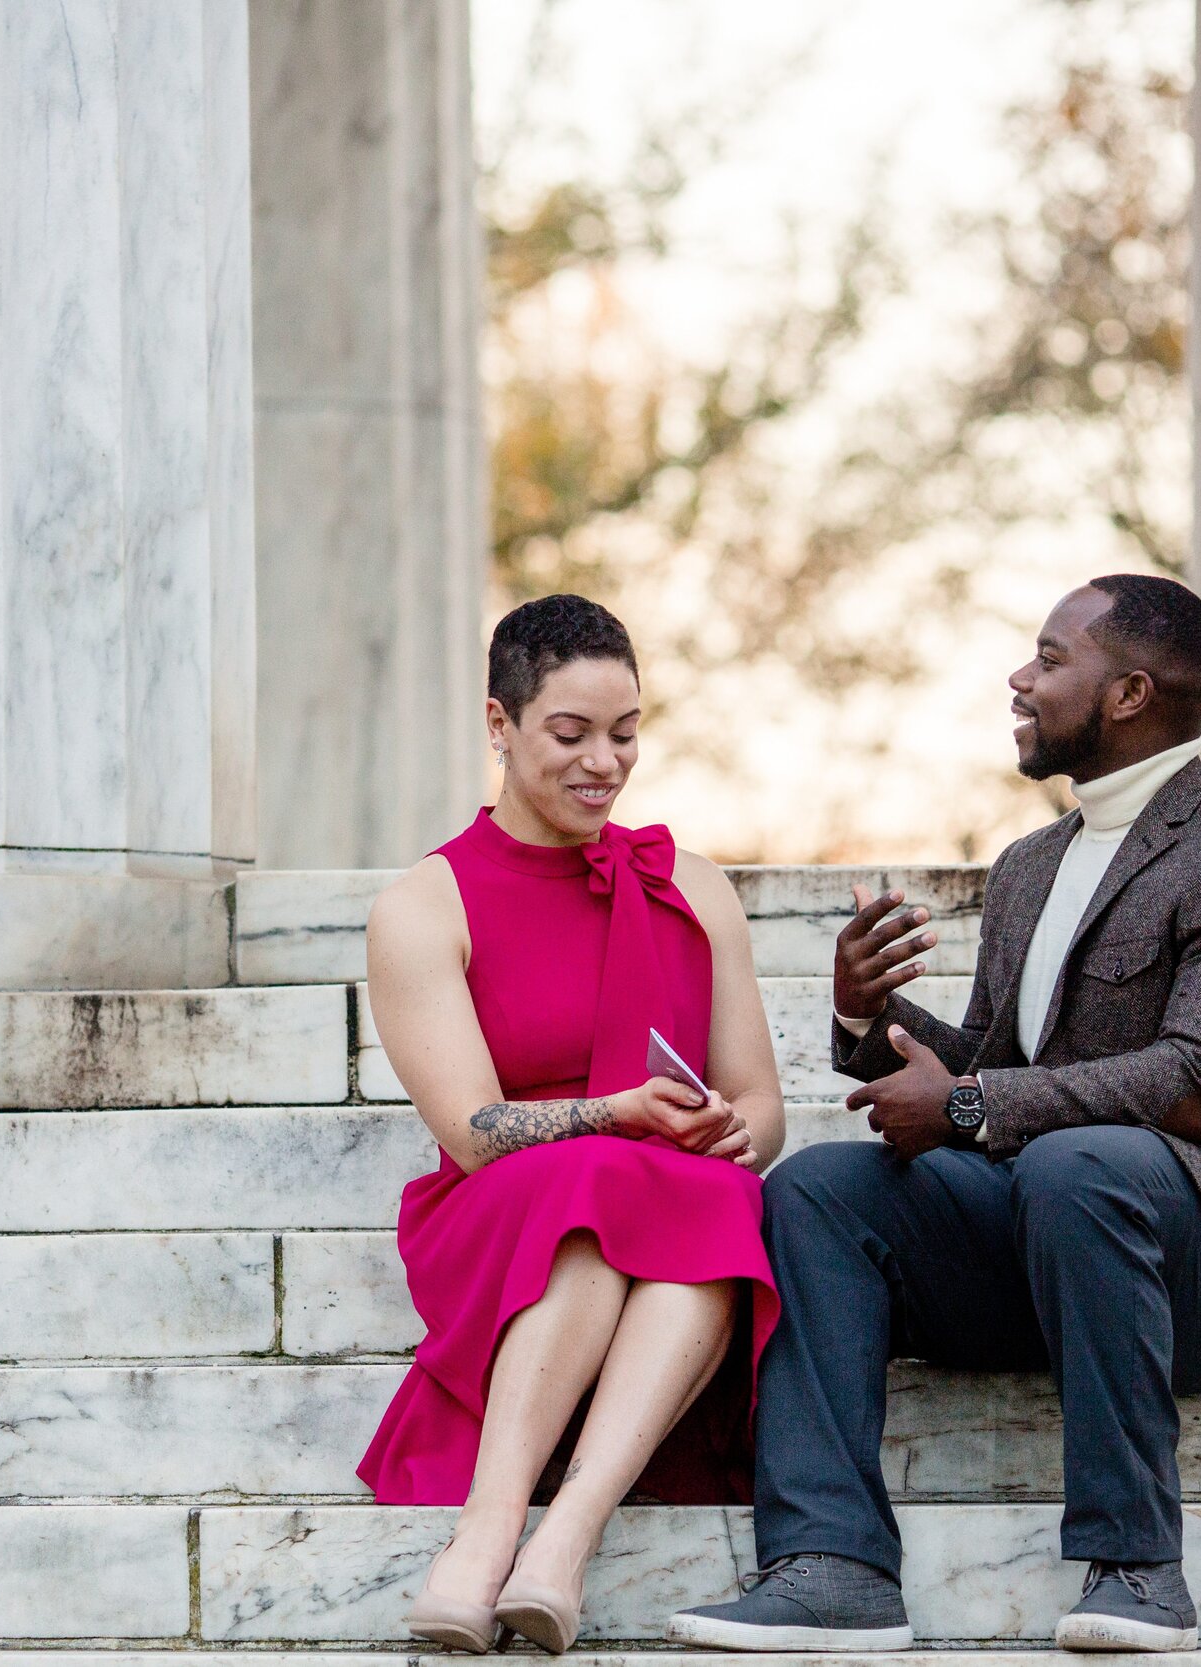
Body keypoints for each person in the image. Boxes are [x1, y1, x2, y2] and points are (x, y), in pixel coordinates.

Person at [669, 575, 1201, 1655]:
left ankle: (1139, 1568)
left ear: (1129, 690)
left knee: (1080, 1164)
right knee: (815, 1183)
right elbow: (999, 1068)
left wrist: (962, 1103)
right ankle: (832, 1566)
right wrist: (870, 1015)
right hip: (1052, 1237)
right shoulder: (1029, 866)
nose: (1019, 678)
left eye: (1049, 659)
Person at [361, 594, 786, 1656]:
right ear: (500, 726)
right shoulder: (426, 902)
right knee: (601, 1178)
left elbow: (763, 1100)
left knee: (718, 1191)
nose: (605, 760)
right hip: (500, 1214)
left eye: (626, 730)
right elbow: (468, 1130)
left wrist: (737, 1131)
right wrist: (613, 1114)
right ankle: (487, 1527)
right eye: (571, 732)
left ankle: (563, 1542)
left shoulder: (692, 886)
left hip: (666, 1210)